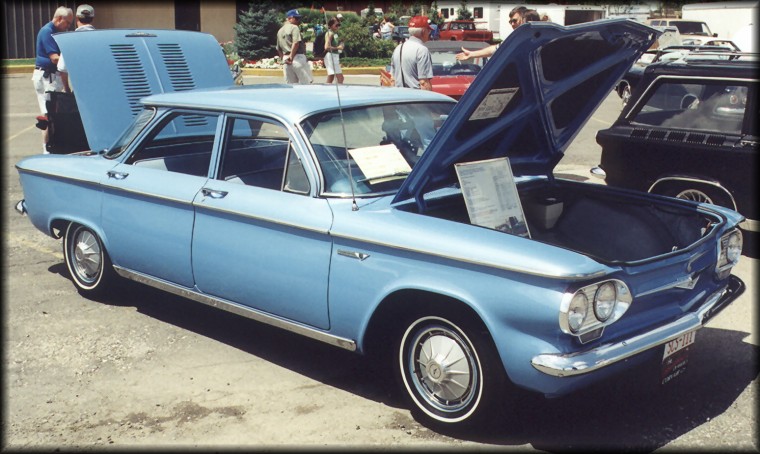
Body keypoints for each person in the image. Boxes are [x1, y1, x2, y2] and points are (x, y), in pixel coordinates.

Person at [32, 6, 73, 153]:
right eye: (67, 23)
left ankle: (51, 146)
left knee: (52, 114)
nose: (68, 26)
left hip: (51, 77)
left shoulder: (55, 32)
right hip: (46, 78)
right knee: (49, 115)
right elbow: (55, 59)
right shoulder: (47, 32)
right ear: (59, 18)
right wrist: (73, 59)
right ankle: (47, 150)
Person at [456, 5, 532, 62]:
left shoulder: (538, 37)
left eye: (515, 21)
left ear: (524, 19)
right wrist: (471, 54)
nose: (512, 24)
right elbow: (494, 49)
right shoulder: (513, 40)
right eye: (510, 22)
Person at [58, 4, 96, 94]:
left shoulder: (69, 40)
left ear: (77, 18)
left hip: (79, 93)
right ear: (92, 18)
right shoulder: (102, 39)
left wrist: (67, 88)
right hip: (100, 90)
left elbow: (62, 69)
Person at [389, 16, 434, 90]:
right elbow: (424, 82)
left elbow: (392, 79)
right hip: (416, 97)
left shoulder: (398, 48)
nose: (429, 33)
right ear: (423, 31)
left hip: (399, 96)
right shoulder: (422, 50)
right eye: (428, 30)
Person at [276, 9, 313, 84]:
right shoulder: (294, 27)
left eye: (299, 18)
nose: (298, 20)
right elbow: (296, 43)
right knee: (307, 85)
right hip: (297, 57)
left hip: (286, 59)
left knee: (291, 86)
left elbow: (278, 48)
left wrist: (283, 59)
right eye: (296, 18)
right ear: (289, 18)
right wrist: (291, 57)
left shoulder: (280, 30)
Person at [324, 18, 345, 84]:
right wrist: (338, 48)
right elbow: (326, 47)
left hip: (334, 56)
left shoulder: (334, 33)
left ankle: (327, 90)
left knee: (331, 76)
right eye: (336, 25)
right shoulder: (330, 34)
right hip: (331, 56)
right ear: (331, 25)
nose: (338, 27)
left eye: (339, 25)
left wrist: (341, 42)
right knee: (340, 78)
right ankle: (340, 92)